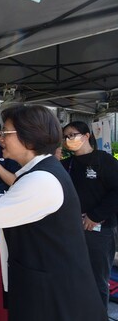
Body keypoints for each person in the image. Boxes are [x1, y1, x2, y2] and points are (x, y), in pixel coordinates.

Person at [0, 105, 106, 321]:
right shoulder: (36, 172)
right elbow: (6, 203)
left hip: (53, 292)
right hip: (42, 282)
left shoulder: (42, 179)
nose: (0, 140)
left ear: (30, 138)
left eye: (5, 133)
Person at [61, 121, 118, 309]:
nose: (69, 139)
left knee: (97, 280)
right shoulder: (65, 164)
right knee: (71, 276)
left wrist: (95, 216)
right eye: (66, 136)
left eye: (73, 134)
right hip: (71, 229)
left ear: (86, 136)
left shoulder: (104, 160)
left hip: (99, 231)